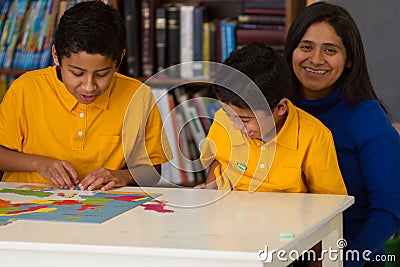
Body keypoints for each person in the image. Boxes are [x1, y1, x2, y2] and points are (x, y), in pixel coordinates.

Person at [0, 1, 171, 191]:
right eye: (77, 73)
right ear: (56, 55)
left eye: (102, 74)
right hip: (25, 208)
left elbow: (153, 171)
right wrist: (38, 164)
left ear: (120, 59)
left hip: (101, 210)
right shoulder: (25, 89)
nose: (89, 87)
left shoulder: (138, 96)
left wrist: (122, 175)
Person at [284, 2, 400, 266]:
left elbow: (389, 210)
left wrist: (343, 261)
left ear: (349, 60)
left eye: (330, 50)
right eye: (306, 46)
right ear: (291, 50)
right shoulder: (275, 109)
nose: (315, 59)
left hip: (351, 255)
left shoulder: (368, 118)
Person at [199, 42, 347, 196]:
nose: (235, 126)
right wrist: (208, 194)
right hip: (230, 216)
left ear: (280, 107)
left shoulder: (315, 137)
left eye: (245, 119)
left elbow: (331, 203)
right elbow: (217, 162)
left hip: (289, 218)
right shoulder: (223, 120)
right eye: (228, 113)